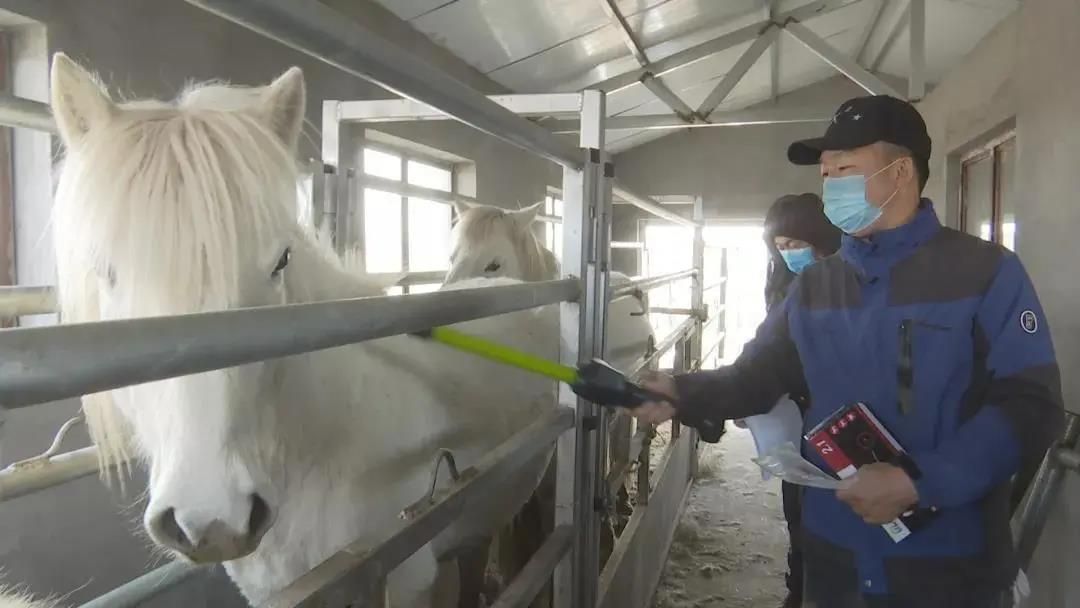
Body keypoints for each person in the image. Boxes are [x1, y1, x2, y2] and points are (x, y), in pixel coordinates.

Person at [630, 95, 1064, 607]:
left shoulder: (986, 273)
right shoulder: (816, 285)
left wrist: (921, 481)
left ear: (901, 172)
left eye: (846, 170)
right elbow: (756, 376)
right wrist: (680, 391)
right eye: (827, 173)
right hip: (834, 555)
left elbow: (1031, 407)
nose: (832, 185)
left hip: (947, 564)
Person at [744, 192, 841, 608]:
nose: (789, 254)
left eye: (796, 244)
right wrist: (748, 395)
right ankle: (798, 587)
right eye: (781, 247)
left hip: (840, 420)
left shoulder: (850, 284)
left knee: (836, 513)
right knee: (798, 508)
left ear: (821, 238)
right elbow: (768, 353)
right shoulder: (785, 288)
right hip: (795, 422)